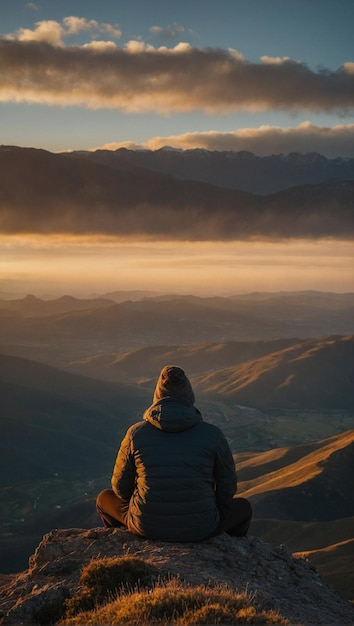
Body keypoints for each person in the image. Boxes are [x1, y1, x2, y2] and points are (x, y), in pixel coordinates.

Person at [96, 365, 252, 542]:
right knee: (243, 507)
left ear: (157, 396)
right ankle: (232, 552)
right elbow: (227, 490)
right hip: (201, 527)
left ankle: (121, 545)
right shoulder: (213, 435)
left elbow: (120, 489)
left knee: (104, 498)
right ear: (189, 395)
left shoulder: (136, 433)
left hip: (146, 526)